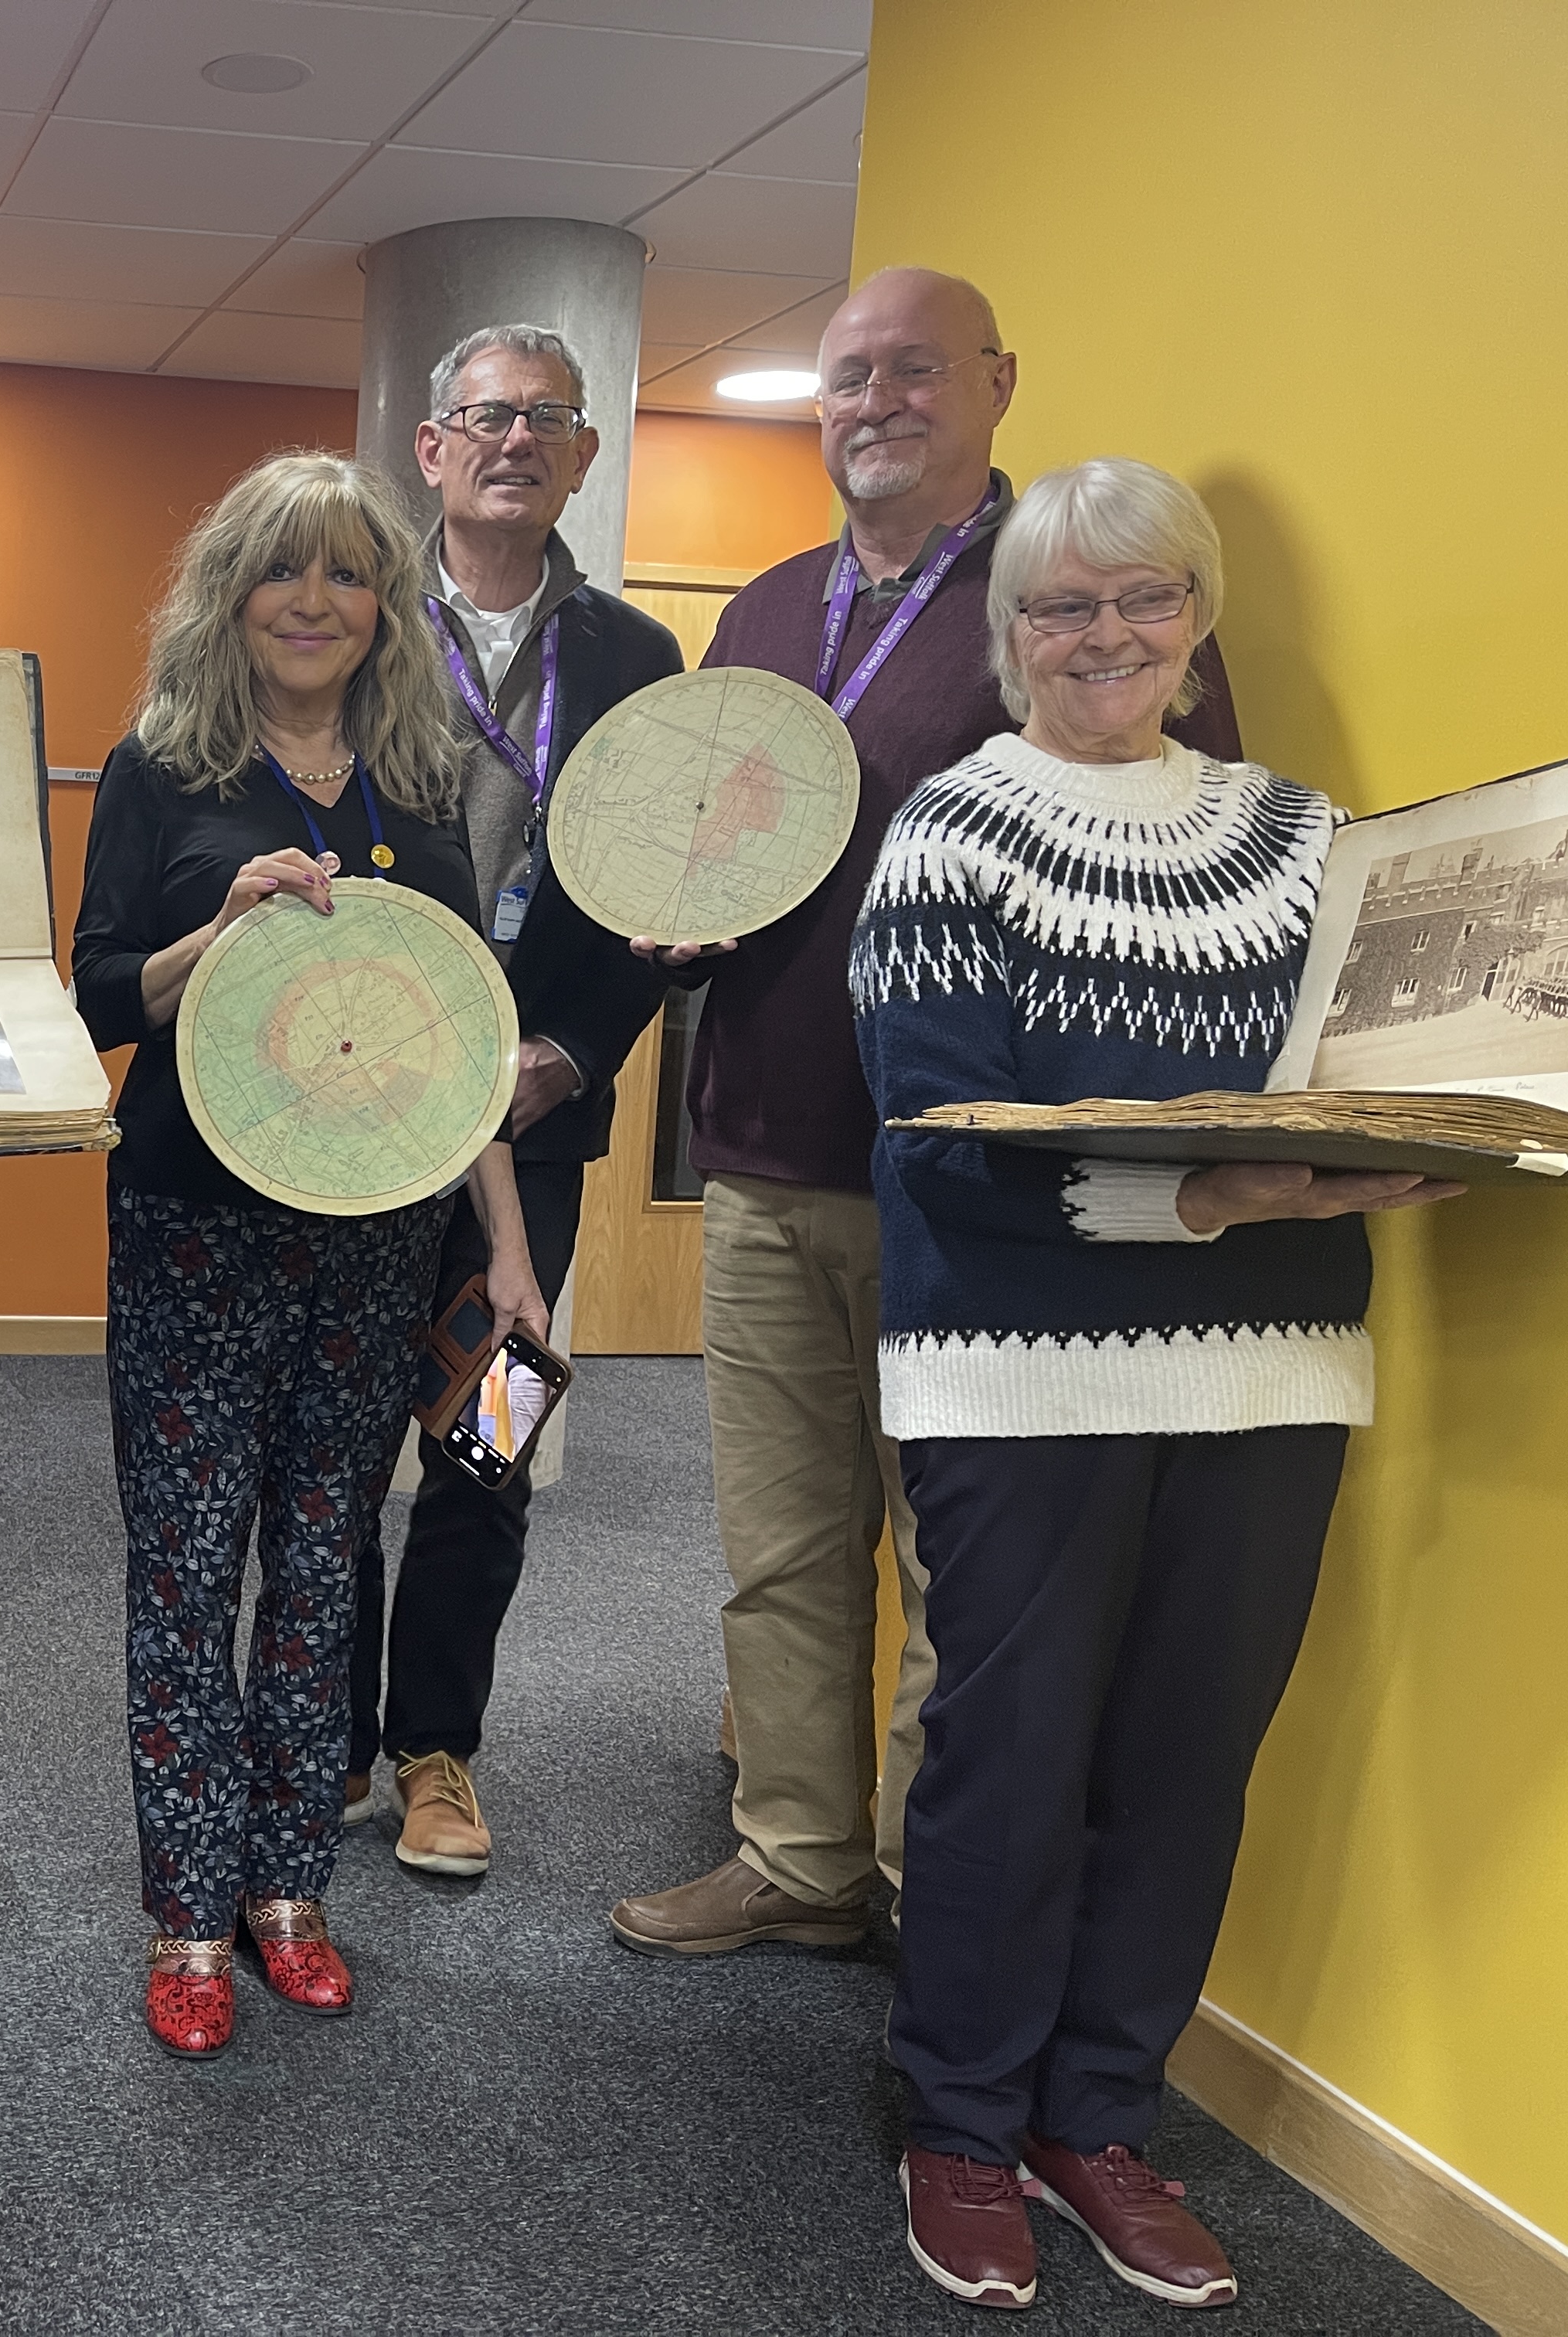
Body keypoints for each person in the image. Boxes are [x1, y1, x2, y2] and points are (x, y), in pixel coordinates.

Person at [854, 458, 1456, 2311]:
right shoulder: (950, 836)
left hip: (1274, 1376)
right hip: (1012, 1385)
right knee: (1010, 1768)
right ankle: (961, 2125)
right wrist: (1217, 1194)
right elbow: (945, 1146)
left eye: (1144, 599)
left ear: (1196, 620)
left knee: (1189, 1765)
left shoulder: (1308, 842)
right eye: (1062, 606)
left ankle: (1096, 2116)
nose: (1105, 636)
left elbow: (1383, 1055)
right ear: (1010, 632)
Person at [609, 267, 1244, 1958]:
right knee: (783, 1543)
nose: (873, 402)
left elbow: (1172, 860)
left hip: (964, 1184)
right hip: (756, 1152)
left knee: (958, 1560)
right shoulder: (763, 610)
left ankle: (920, 1878)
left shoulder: (1066, 596)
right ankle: (797, 1858)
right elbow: (707, 834)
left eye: (911, 370)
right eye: (843, 378)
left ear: (997, 383)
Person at [72, 451, 540, 2058]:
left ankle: (291, 1895)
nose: (315, 601)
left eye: (347, 574)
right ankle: (193, 1909)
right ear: (233, 593)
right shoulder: (161, 769)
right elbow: (94, 999)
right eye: (284, 571)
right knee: (191, 1571)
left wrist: (510, 1248)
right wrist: (228, 933)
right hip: (198, 1223)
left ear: (383, 606)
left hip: (377, 1237)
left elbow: (465, 1039)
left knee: (327, 1566)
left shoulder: (422, 787)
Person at [344, 322, 686, 1877]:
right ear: (433, 449)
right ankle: (324, 1725)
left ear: (584, 457)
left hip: (539, 1120)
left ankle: (439, 1752)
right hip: (356, 1108)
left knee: (490, 1433)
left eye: (551, 418)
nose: (517, 440)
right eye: (488, 415)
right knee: (339, 1439)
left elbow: (659, 894)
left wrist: (580, 1051)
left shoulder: (634, 662)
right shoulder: (349, 616)